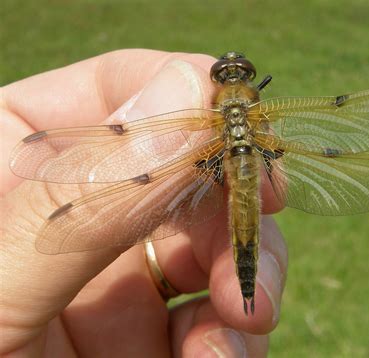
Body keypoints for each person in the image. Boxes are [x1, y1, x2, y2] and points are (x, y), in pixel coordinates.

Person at [0, 49, 288, 356]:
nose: (232, 75)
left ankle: (246, 284)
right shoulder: (253, 107)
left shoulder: (210, 113)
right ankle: (249, 284)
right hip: (246, 164)